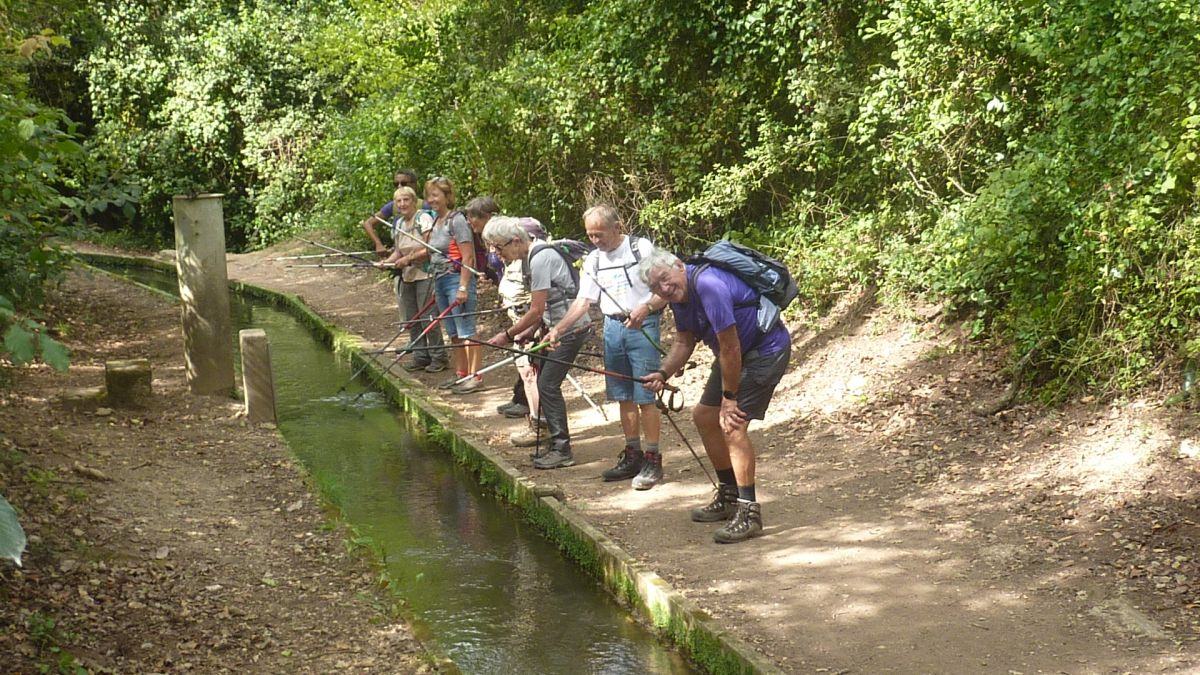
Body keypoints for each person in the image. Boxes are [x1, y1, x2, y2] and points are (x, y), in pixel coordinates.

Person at [639, 246, 791, 543]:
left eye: (665, 279)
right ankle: (729, 494)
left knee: (731, 424)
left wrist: (729, 397)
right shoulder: (679, 298)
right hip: (734, 355)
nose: (664, 288)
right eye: (656, 287)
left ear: (679, 266)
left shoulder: (708, 286)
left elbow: (730, 346)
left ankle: (749, 513)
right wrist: (663, 373)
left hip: (764, 352)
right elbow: (684, 342)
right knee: (704, 416)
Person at [546, 205, 667, 489]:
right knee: (622, 394)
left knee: (646, 396)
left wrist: (646, 307)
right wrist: (558, 329)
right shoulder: (593, 261)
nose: (596, 240)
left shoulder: (641, 249)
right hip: (612, 328)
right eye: (590, 235)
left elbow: (666, 288)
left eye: (600, 234)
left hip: (643, 326)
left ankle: (653, 458)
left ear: (617, 226)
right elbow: (583, 301)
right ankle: (632, 453)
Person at [483, 218, 589, 469]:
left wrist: (508, 336)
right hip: (555, 328)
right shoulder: (531, 255)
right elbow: (540, 313)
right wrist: (527, 334)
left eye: (499, 248)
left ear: (516, 240)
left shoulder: (539, 258)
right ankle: (555, 444)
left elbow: (535, 309)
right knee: (545, 381)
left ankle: (562, 450)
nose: (498, 254)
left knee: (548, 385)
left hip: (571, 328)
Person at [400, 176, 483, 393]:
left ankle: (476, 377)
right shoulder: (436, 221)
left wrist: (464, 286)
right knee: (453, 330)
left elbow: (468, 257)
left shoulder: (457, 220)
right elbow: (429, 252)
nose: (431, 200)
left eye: (436, 195)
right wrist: (406, 259)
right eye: (429, 196)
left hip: (456, 279)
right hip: (439, 279)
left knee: (466, 329)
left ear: (447, 196)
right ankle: (461, 374)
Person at [373, 186, 448, 373]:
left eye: (406, 200)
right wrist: (387, 263)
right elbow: (398, 251)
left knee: (427, 315)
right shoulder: (399, 224)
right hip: (408, 276)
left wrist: (409, 259)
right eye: (398, 201)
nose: (402, 204)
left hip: (426, 274)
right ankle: (420, 355)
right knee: (411, 317)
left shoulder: (423, 218)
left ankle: (439, 356)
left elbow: (430, 247)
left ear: (414, 201)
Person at [361, 169, 420, 257]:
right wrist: (378, 244)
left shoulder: (426, 205)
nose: (399, 186)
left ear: (414, 184)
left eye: (403, 183)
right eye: (396, 184)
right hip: (399, 256)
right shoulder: (393, 206)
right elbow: (368, 223)